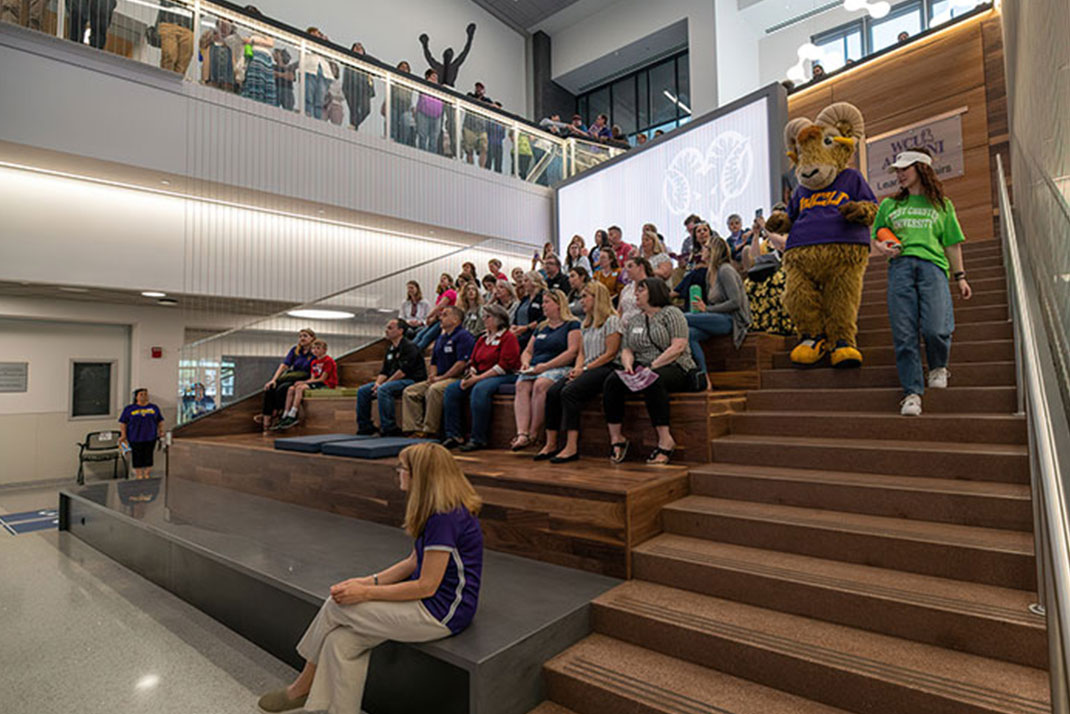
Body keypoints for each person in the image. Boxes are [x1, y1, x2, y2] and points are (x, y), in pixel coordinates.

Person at [257, 443, 482, 714]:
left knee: (336, 604)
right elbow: (412, 563)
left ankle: (300, 688)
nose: (399, 473)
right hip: (431, 604)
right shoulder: (437, 510)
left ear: (420, 475)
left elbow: (426, 585)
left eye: (403, 469)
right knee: (342, 643)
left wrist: (365, 594)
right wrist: (367, 581)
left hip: (441, 613)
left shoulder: (445, 518)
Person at [872, 149, 972, 417]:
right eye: (898, 170)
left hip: (933, 268)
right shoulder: (889, 206)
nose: (900, 174)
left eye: (905, 168)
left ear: (922, 169)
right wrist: (883, 247)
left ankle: (938, 365)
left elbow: (952, 244)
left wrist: (960, 276)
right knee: (904, 334)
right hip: (900, 268)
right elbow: (877, 237)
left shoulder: (943, 205)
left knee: (936, 328)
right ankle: (912, 393)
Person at [602, 278, 694, 465]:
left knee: (653, 380)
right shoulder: (636, 319)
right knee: (612, 381)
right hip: (642, 367)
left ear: (654, 291)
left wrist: (652, 367)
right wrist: (628, 365)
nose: (635, 294)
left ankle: (665, 440)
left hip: (674, 366)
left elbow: (678, 346)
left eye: (640, 290)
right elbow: (627, 349)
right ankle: (617, 438)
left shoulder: (672, 313)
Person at [535, 282, 622, 463]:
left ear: (597, 298)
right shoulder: (586, 323)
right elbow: (581, 352)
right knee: (552, 392)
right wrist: (578, 368)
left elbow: (610, 353)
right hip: (587, 366)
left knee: (570, 392)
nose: (581, 301)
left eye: (585, 296)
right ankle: (551, 443)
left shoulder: (612, 320)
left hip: (606, 367)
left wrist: (584, 369)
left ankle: (571, 446)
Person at [441, 305, 520, 452]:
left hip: (503, 374)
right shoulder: (483, 338)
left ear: (498, 319)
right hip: (481, 374)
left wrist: (477, 379)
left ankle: (478, 438)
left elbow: (504, 365)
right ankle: (454, 434)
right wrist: (472, 373)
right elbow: (473, 360)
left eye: (487, 317)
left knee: (480, 389)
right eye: (484, 317)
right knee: (452, 390)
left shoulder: (508, 337)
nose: (484, 320)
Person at [509, 290, 581, 451]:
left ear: (558, 304)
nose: (543, 306)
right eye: (543, 302)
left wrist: (546, 366)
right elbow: (527, 351)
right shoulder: (541, 327)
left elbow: (572, 352)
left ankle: (534, 433)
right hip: (536, 366)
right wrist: (526, 363)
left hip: (558, 366)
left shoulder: (572, 324)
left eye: (547, 302)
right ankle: (522, 433)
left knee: (540, 385)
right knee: (521, 385)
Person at [402, 307, 474, 438]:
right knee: (410, 391)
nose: (441, 317)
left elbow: (461, 364)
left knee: (434, 389)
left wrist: (441, 378)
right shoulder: (441, 338)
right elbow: (433, 361)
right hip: (440, 377)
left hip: (457, 377)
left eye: (445, 315)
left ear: (456, 319)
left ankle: (430, 430)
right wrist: (433, 375)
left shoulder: (464, 336)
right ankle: (414, 428)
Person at [685, 239, 752, 375]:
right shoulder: (710, 273)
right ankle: (703, 375)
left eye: (705, 248)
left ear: (712, 252)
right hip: (717, 318)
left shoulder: (725, 270)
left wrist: (707, 309)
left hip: (732, 320)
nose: (702, 251)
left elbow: (735, 302)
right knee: (690, 333)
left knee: (682, 318)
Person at [356, 320, 428, 437]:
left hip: (412, 380)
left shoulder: (409, 347)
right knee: (363, 391)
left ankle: (389, 427)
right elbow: (384, 371)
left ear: (400, 331)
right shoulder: (390, 349)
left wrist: (383, 385)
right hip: (394, 380)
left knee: (384, 389)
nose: (386, 330)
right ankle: (365, 426)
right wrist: (377, 384)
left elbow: (403, 372)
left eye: (390, 328)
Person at [257, 328, 316, 433]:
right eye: (300, 336)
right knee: (270, 389)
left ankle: (277, 413)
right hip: (292, 375)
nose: (302, 338)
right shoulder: (295, 350)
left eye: (305, 336)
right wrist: (273, 379)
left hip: (303, 378)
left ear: (312, 338)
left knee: (283, 389)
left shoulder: (314, 352)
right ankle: (266, 421)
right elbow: (284, 365)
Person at [277, 339, 339, 430]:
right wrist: (304, 382)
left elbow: (322, 379)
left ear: (324, 350)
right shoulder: (314, 362)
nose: (315, 350)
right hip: (316, 382)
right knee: (291, 389)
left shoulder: (328, 361)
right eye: (313, 348)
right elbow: (313, 378)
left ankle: (293, 414)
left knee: (300, 388)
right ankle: (285, 414)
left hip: (326, 384)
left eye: (318, 348)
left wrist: (304, 382)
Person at [118, 388, 165, 480]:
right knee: (137, 456)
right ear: (136, 397)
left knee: (149, 455)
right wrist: (123, 435)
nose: (144, 396)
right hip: (135, 437)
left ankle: (147, 474)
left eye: (145, 394)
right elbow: (123, 423)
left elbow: (160, 420)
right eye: (141, 394)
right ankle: (139, 475)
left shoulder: (154, 408)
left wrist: (161, 431)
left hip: (150, 436)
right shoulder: (129, 409)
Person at [419, 23, 476, 88]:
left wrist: (470, 37)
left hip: (450, 90)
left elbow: (465, 53)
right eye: (447, 54)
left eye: (450, 54)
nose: (448, 56)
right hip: (438, 89)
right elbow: (429, 58)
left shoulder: (451, 66)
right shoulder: (440, 67)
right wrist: (425, 45)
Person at [413, 273, 458, 350]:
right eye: (441, 279)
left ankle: (414, 352)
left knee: (427, 336)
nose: (442, 280)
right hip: (437, 319)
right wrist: (432, 318)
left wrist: (429, 316)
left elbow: (440, 306)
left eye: (445, 278)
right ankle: (409, 350)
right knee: (420, 334)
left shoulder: (450, 292)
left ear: (450, 282)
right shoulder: (440, 295)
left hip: (444, 319)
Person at [342, 43, 376, 131]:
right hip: (351, 88)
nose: (358, 49)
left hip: (364, 89)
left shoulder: (367, 62)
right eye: (356, 48)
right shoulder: (349, 60)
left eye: (360, 48)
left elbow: (376, 65)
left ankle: (353, 125)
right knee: (353, 110)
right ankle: (353, 128)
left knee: (366, 109)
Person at [510, 271, 546, 350]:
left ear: (534, 281)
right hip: (520, 333)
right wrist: (514, 326)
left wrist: (526, 327)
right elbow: (517, 315)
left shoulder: (543, 297)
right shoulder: (525, 298)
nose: (523, 283)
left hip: (533, 334)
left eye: (526, 281)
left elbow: (544, 317)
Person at [241, 28, 278, 106]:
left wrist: (253, 41)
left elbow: (271, 43)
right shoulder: (251, 30)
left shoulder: (263, 27)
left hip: (261, 56)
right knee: (253, 79)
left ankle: (258, 98)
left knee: (259, 79)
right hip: (254, 56)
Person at [154, 0, 192, 73]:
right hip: (169, 22)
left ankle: (177, 80)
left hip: (187, 26)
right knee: (169, 55)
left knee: (184, 60)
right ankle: (166, 78)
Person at [416, 68, 446, 153]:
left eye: (436, 77)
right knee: (423, 136)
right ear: (428, 77)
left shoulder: (439, 88)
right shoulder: (424, 84)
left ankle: (432, 156)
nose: (435, 79)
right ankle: (422, 154)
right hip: (423, 113)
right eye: (433, 76)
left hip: (436, 116)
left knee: (434, 139)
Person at [618, 256, 653, 328]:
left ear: (641, 267)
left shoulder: (652, 286)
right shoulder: (626, 288)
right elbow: (619, 310)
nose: (627, 270)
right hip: (623, 328)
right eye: (625, 268)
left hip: (643, 327)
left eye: (630, 266)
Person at [387, 61, 416, 146]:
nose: (404, 69)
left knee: (406, 124)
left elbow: (412, 96)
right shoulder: (393, 78)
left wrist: (413, 107)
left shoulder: (410, 82)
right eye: (402, 67)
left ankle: (402, 144)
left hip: (406, 107)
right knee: (393, 126)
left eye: (406, 68)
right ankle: (392, 143)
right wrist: (385, 103)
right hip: (394, 105)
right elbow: (390, 92)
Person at [462, 81, 491, 167]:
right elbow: (466, 100)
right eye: (477, 88)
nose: (478, 90)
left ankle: (481, 167)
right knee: (469, 149)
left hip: (482, 129)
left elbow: (495, 106)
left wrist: (484, 102)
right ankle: (470, 166)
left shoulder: (487, 100)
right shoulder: (470, 95)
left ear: (483, 90)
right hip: (469, 127)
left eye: (480, 88)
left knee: (484, 148)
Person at [486, 102, 507, 172]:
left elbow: (503, 136)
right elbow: (487, 130)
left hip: (498, 144)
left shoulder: (501, 121)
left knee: (498, 165)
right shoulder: (489, 119)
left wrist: (503, 127)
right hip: (490, 143)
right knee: (488, 163)